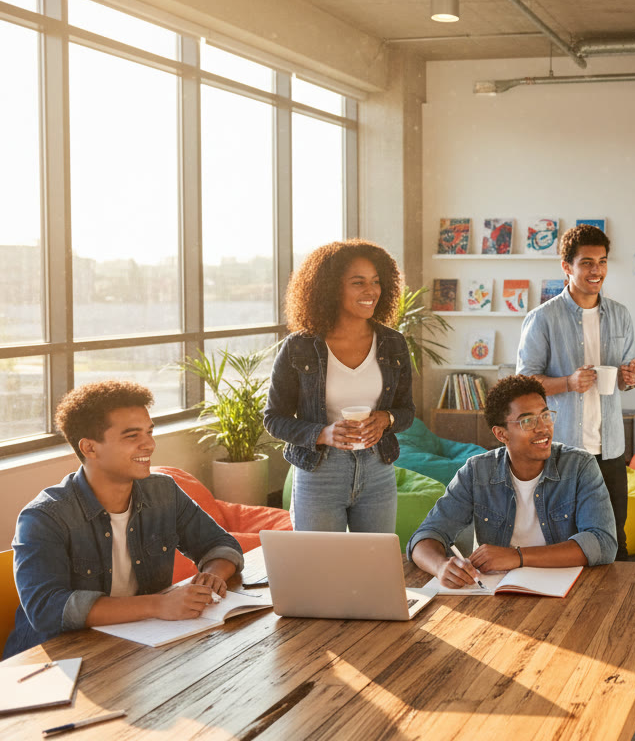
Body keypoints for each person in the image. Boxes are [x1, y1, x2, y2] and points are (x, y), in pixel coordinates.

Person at [6, 381, 243, 658]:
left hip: (136, 647)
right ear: (90, 448)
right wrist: (159, 605)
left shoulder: (163, 491)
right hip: (54, 661)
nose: (150, 444)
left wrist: (212, 577)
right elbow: (47, 609)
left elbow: (220, 544)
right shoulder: (44, 518)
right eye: (132, 436)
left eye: (149, 432)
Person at [263, 239, 414, 533]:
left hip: (377, 469)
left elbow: (407, 410)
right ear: (331, 288)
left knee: (370, 566)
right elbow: (273, 418)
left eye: (376, 281)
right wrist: (323, 433)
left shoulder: (394, 343)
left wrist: (386, 419)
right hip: (319, 472)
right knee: (319, 568)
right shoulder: (299, 347)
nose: (371, 291)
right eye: (358, 283)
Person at [409, 375, 617, 588]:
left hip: (568, 589)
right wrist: (440, 566)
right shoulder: (476, 472)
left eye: (545, 415)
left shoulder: (580, 466)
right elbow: (426, 536)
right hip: (498, 590)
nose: (543, 428)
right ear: (501, 434)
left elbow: (603, 542)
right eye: (527, 421)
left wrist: (517, 556)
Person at [516, 224, 635, 560]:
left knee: (616, 544)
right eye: (586, 262)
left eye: (601, 261)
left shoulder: (621, 315)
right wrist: (568, 383)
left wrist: (629, 378)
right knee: (564, 545)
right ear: (566, 267)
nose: (596, 270)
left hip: (610, 450)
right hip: (562, 451)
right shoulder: (542, 319)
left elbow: (623, 379)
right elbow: (524, 386)